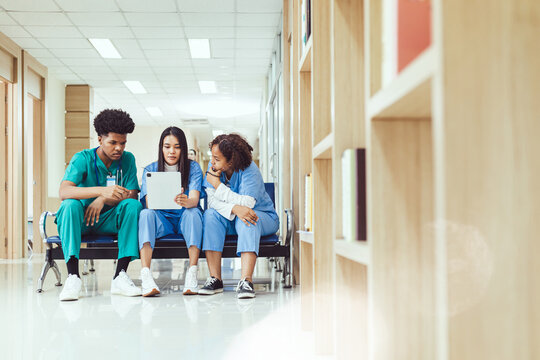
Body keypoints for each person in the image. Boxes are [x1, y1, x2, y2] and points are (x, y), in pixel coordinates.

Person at [56, 109, 142, 301]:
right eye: (113, 142)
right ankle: (73, 277)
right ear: (100, 139)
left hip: (110, 219)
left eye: (123, 143)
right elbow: (64, 191)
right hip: (83, 219)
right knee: (70, 205)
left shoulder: (127, 160)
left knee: (132, 206)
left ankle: (120, 275)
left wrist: (104, 199)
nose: (119, 148)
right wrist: (101, 192)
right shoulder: (83, 158)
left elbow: (133, 194)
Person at [200, 134, 279, 299]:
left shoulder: (249, 169)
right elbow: (212, 202)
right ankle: (215, 278)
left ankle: (246, 281)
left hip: (263, 216)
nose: (211, 163)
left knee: (248, 219)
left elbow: (248, 203)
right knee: (210, 215)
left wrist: (218, 185)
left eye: (216, 159)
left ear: (230, 162)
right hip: (233, 215)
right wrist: (236, 208)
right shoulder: (213, 168)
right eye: (211, 157)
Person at [138, 127, 204, 296]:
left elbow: (195, 200)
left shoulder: (193, 168)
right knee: (145, 214)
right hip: (162, 219)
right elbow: (148, 202)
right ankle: (146, 275)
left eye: (177, 146)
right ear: (161, 148)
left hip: (184, 217)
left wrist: (186, 201)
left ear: (183, 148)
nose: (172, 151)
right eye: (167, 146)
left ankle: (192, 274)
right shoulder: (150, 169)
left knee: (194, 212)